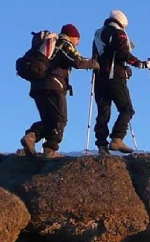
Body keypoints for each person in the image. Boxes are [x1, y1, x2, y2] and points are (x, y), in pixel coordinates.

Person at [20, 24, 98, 158]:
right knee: (60, 119)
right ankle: (50, 149)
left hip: (37, 86)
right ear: (72, 36)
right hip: (54, 86)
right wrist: (95, 64)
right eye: (77, 39)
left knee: (48, 120)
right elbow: (77, 61)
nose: (78, 43)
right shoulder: (64, 44)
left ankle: (31, 136)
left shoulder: (47, 45)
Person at [90, 10, 150, 154]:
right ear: (122, 23)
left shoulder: (98, 35)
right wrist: (140, 64)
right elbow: (123, 54)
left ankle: (101, 145)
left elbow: (98, 56)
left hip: (99, 79)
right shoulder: (119, 34)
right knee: (127, 109)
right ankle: (117, 139)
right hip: (115, 78)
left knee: (103, 112)